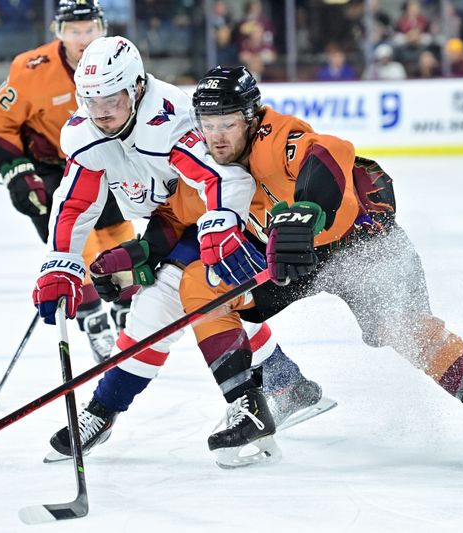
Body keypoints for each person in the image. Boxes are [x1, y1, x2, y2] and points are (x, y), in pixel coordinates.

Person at [176, 65, 463, 467]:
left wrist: (305, 212)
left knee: (405, 329)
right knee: (206, 286)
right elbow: (175, 214)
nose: (216, 136)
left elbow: (331, 151)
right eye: (208, 124)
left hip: (363, 244)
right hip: (302, 257)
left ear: (252, 118)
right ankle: (261, 400)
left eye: (228, 123)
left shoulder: (276, 137)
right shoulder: (207, 163)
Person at [31, 37, 335, 465]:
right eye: (90, 99)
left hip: (217, 215)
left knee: (162, 306)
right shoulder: (87, 128)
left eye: (111, 98)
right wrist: (60, 264)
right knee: (201, 305)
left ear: (136, 88)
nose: (99, 112)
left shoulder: (169, 123)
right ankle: (288, 384)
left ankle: (107, 409)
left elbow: (225, 180)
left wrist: (218, 229)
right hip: (171, 220)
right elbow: (77, 201)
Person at [0, 0, 135, 362]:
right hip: (51, 167)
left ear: (103, 28)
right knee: (71, 237)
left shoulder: (121, 59)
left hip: (104, 159)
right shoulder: (31, 69)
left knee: (118, 234)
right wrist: (16, 170)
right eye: (73, 31)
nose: (83, 39)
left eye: (89, 30)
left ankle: (129, 307)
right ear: (58, 32)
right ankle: (93, 316)